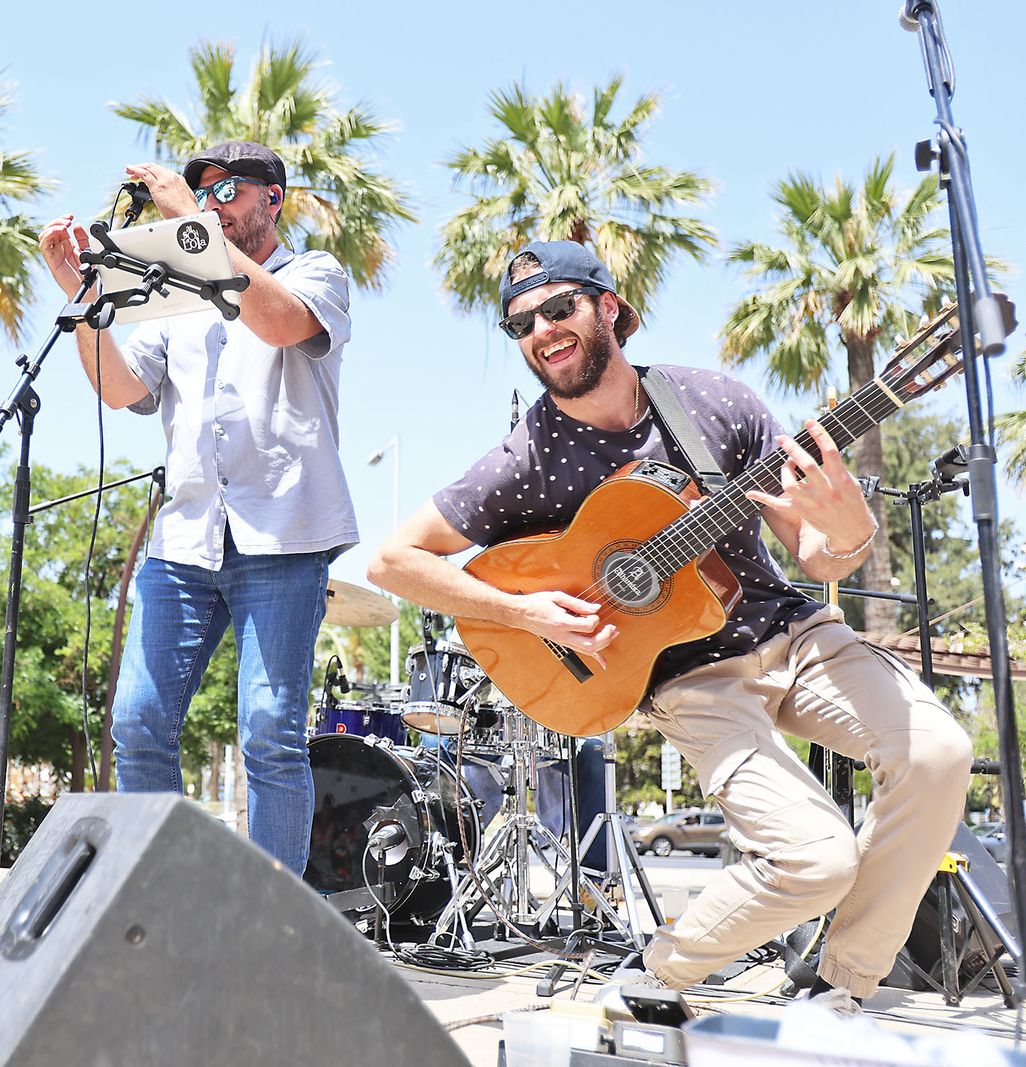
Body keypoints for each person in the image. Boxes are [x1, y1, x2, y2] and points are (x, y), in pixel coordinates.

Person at [366, 240, 970, 1011]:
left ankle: (841, 985)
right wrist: (526, 611)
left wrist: (851, 531)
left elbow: (816, 552)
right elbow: (392, 561)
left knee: (938, 753)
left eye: (558, 308)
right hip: (689, 678)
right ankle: (657, 973)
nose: (541, 331)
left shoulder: (712, 404)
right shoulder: (529, 456)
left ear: (608, 306)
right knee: (815, 858)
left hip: (791, 632)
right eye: (520, 324)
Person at [38, 141, 357, 873]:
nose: (213, 202)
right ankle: (168, 900)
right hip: (184, 538)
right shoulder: (175, 297)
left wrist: (193, 228)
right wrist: (80, 296)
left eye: (229, 189)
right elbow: (122, 389)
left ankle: (272, 920)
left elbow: (277, 323)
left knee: (270, 735)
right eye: (201, 191)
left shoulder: (316, 273)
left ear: (273, 198)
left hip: (283, 537)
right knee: (137, 724)